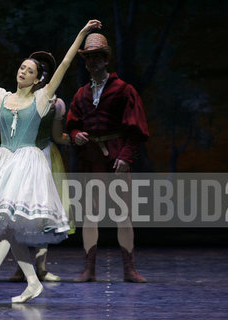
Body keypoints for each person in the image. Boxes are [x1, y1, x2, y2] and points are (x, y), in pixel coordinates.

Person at [0, 19, 102, 307]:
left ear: (37, 78)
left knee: (7, 228)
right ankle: (32, 282)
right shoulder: (2, 97)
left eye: (29, 70)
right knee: (7, 229)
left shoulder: (42, 99)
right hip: (2, 163)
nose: (22, 71)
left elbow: (64, 63)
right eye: (21, 67)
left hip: (27, 164)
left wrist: (81, 33)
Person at [66, 32, 149, 283]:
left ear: (105, 59)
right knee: (90, 215)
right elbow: (72, 124)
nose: (92, 62)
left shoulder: (124, 90)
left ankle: (129, 269)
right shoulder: (81, 94)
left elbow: (137, 129)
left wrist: (125, 157)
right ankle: (89, 268)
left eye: (96, 57)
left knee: (122, 213)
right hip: (92, 159)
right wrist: (76, 133)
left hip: (116, 156)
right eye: (88, 58)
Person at [9, 51, 72, 283]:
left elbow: (57, 135)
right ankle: (21, 266)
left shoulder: (55, 103)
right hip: (20, 157)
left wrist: (74, 137)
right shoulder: (19, 100)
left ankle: (41, 266)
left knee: (42, 211)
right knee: (18, 209)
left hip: (44, 157)